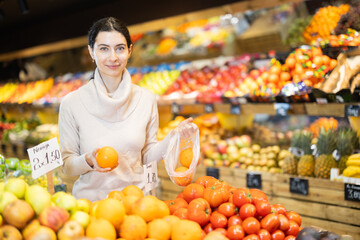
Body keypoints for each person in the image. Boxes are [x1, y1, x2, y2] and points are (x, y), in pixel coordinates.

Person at [58, 17, 198, 202]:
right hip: (91, 207)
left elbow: (147, 157)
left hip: (137, 204)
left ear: (130, 50)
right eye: (104, 49)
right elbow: (67, 166)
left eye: (120, 48)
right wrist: (89, 160)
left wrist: (173, 138)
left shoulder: (146, 99)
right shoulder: (72, 103)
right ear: (91, 51)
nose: (113, 57)